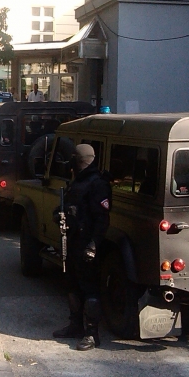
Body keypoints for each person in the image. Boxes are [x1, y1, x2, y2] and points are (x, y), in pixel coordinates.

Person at [53, 144, 112, 351]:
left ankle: (92, 334)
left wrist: (93, 246)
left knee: (89, 289)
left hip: (87, 244)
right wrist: (59, 215)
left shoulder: (97, 184)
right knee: (72, 285)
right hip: (73, 241)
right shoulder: (77, 181)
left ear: (79, 160)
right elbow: (69, 208)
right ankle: (75, 325)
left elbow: (102, 220)